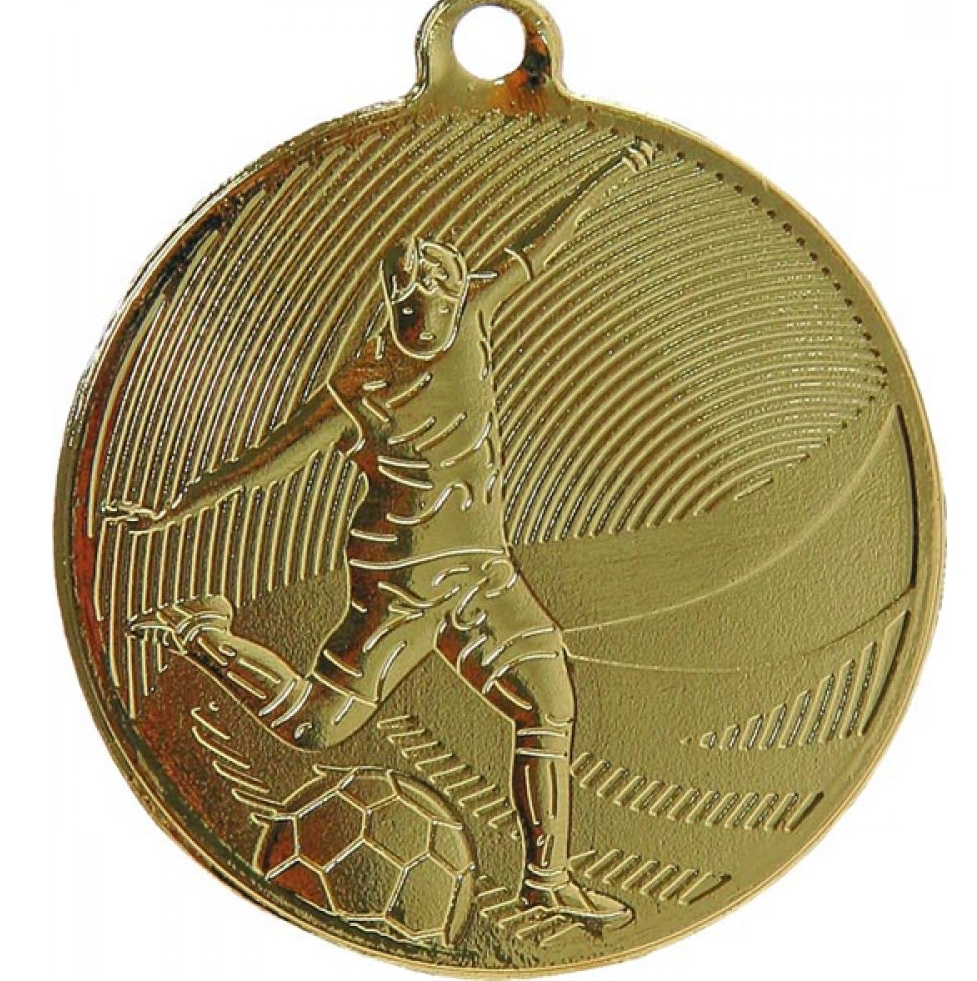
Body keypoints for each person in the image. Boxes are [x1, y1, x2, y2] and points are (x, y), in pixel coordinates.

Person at [128, 138, 656, 928]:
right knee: (316, 728)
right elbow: (268, 461)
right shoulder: (362, 386)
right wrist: (176, 508)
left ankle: (546, 880)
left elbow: (540, 245)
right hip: (400, 584)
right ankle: (203, 633)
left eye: (437, 286)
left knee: (549, 701)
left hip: (483, 571)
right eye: (409, 291)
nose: (425, 299)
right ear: (392, 301)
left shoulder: (472, 315)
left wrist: (612, 174)